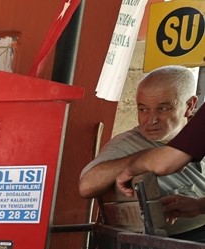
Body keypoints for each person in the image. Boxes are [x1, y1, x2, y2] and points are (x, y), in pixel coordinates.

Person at [81, 67, 205, 238]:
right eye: (143, 109)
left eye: (163, 108)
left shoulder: (199, 127)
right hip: (174, 247)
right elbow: (86, 185)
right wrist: (143, 158)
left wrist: (200, 205)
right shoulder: (127, 144)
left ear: (190, 105)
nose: (151, 120)